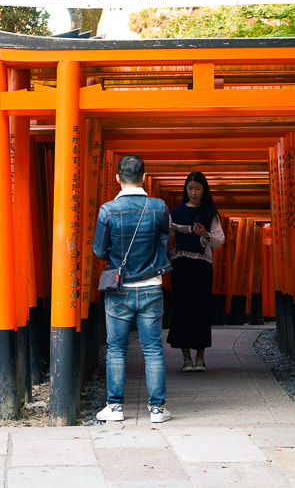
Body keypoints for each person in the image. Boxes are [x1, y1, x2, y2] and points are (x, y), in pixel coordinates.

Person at [93, 155, 173, 423]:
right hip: (152, 286)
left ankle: (115, 408)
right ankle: (157, 410)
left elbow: (99, 250)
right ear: (144, 176)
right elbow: (165, 243)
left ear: (118, 178)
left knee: (116, 348)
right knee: (153, 349)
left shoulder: (107, 210)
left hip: (120, 290)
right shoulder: (159, 207)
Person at [167, 171, 225, 372]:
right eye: (190, 188)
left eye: (197, 189)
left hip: (202, 266)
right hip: (181, 264)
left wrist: (205, 234)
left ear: (204, 190)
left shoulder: (211, 214)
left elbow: (219, 241)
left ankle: (200, 358)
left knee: (201, 308)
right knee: (182, 307)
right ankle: (186, 358)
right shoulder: (176, 212)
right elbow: (166, 236)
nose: (193, 192)